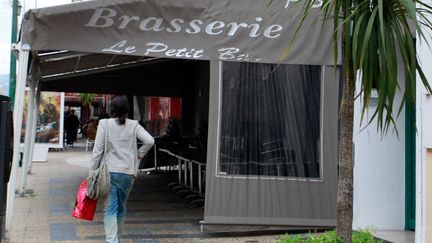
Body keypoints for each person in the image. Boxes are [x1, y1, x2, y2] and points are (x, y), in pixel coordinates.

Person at [89, 96, 154, 243]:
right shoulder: (134, 125)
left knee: (110, 208)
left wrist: (92, 172)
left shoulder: (104, 124)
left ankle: (112, 240)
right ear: (127, 111)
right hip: (128, 173)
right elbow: (150, 140)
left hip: (109, 172)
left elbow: (97, 151)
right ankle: (118, 237)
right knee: (121, 206)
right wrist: (139, 155)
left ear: (112, 110)